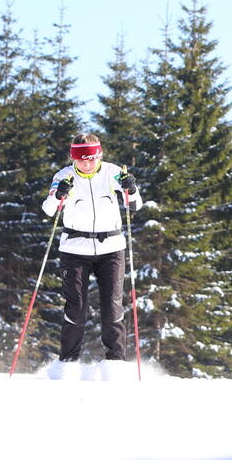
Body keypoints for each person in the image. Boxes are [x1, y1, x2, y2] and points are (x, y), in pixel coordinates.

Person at [41, 133, 143, 364]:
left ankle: (115, 363)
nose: (87, 164)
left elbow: (135, 204)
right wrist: (59, 195)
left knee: (112, 306)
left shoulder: (111, 171)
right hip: (75, 250)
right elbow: (49, 210)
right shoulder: (64, 176)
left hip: (111, 249)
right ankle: (67, 362)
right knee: (76, 307)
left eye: (91, 159)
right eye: (81, 159)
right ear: (72, 158)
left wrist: (131, 188)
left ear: (100, 156)